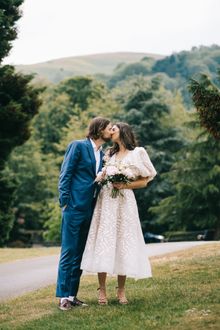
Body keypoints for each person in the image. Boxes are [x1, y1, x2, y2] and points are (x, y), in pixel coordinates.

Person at [81, 122, 157, 305]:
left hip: (125, 202)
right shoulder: (109, 154)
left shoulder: (138, 152)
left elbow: (145, 181)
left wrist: (124, 185)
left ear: (122, 131)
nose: (110, 131)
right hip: (106, 201)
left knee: (124, 242)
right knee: (104, 241)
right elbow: (101, 173)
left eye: (113, 129)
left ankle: (121, 290)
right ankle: (102, 290)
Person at [56, 117, 112, 311]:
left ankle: (72, 295)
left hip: (90, 208)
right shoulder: (78, 146)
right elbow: (66, 174)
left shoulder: (103, 153)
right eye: (108, 128)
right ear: (99, 129)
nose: (110, 132)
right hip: (73, 207)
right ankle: (63, 297)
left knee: (80, 254)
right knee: (69, 252)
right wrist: (64, 202)